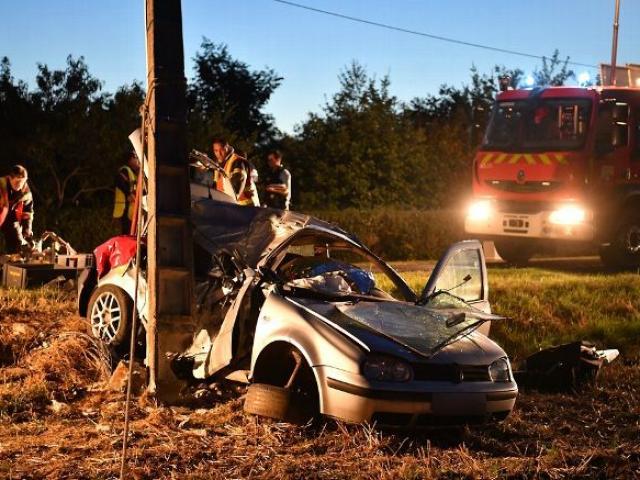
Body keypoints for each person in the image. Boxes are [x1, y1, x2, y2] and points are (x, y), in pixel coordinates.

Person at [211, 138, 260, 206]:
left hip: (246, 207)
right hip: (231, 206)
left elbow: (235, 190)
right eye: (216, 150)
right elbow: (215, 186)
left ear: (227, 148)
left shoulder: (237, 162)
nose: (219, 153)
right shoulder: (218, 164)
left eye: (222, 150)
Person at [0, 165, 34, 254]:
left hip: (11, 219)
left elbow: (28, 212)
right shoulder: (1, 185)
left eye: (22, 182)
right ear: (10, 179)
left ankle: (13, 262)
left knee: (17, 242)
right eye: (17, 181)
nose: (19, 185)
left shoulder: (25, 191)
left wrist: (27, 230)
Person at [113, 151, 140, 235]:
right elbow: (119, 181)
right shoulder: (125, 170)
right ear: (131, 159)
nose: (137, 161)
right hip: (123, 210)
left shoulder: (134, 174)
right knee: (124, 235)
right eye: (136, 159)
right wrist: (128, 194)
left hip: (129, 212)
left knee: (129, 235)